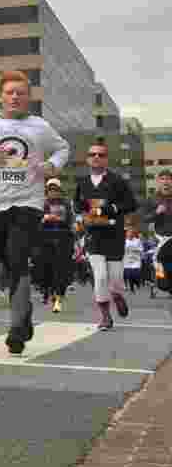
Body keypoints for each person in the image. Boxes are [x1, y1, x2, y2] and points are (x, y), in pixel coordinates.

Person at [0, 70, 70, 355]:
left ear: (28, 97)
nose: (15, 97)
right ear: (1, 96)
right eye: (10, 92)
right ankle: (25, 311)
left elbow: (62, 149)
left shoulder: (39, 126)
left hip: (28, 204)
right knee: (9, 264)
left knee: (18, 258)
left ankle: (17, 328)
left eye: (21, 92)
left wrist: (49, 167)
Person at [75, 138, 137, 330]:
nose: (96, 158)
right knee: (100, 276)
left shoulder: (117, 181)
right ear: (87, 159)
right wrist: (83, 209)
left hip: (114, 235)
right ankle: (105, 317)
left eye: (100, 155)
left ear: (106, 159)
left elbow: (132, 204)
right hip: (94, 235)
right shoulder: (83, 182)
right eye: (92, 154)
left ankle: (117, 295)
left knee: (116, 279)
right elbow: (77, 204)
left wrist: (111, 209)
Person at [40, 178, 75, 313]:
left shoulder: (66, 204)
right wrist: (45, 218)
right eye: (50, 190)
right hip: (46, 238)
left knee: (62, 269)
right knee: (47, 268)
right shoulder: (42, 203)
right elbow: (37, 218)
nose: (53, 193)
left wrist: (64, 222)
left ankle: (59, 296)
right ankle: (48, 290)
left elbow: (71, 220)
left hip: (63, 237)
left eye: (55, 190)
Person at [123, 228, 143, 293]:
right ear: (126, 234)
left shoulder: (138, 241)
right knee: (129, 275)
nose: (130, 234)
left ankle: (137, 282)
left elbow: (141, 249)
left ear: (133, 234)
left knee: (136, 274)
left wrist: (136, 250)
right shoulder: (124, 241)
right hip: (127, 261)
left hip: (136, 260)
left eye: (131, 233)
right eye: (129, 233)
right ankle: (131, 288)